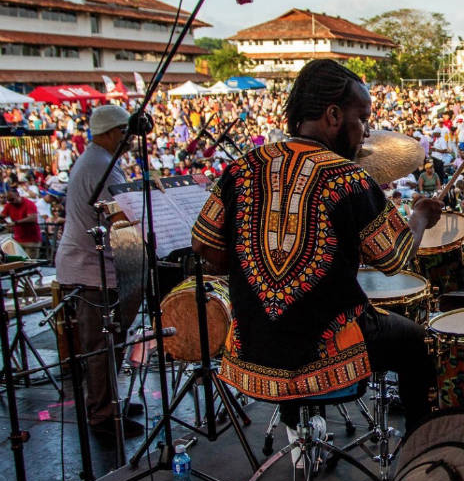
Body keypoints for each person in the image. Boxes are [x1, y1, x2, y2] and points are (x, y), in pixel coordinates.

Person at [192, 59, 442, 435]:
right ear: (334, 115)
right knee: (418, 343)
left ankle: (300, 436)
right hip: (329, 352)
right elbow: (396, 259)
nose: (365, 131)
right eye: (362, 118)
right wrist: (421, 216)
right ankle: (420, 453)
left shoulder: (240, 170)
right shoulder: (348, 178)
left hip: (251, 355)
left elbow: (205, 247)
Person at [54, 105, 145, 438]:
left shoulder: (98, 160)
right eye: (124, 132)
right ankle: (101, 416)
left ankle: (109, 402)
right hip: (89, 268)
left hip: (94, 265)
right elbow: (120, 216)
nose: (130, 138)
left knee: (111, 341)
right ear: (109, 133)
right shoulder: (102, 166)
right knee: (100, 346)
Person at [2, 189, 42, 258]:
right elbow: (2, 215)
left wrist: (15, 223)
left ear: (18, 195)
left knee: (30, 263)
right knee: (18, 262)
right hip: (18, 238)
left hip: (31, 239)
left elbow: (32, 218)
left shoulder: (29, 203)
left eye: (12, 199)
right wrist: (5, 223)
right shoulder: (9, 205)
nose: (11, 202)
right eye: (9, 200)